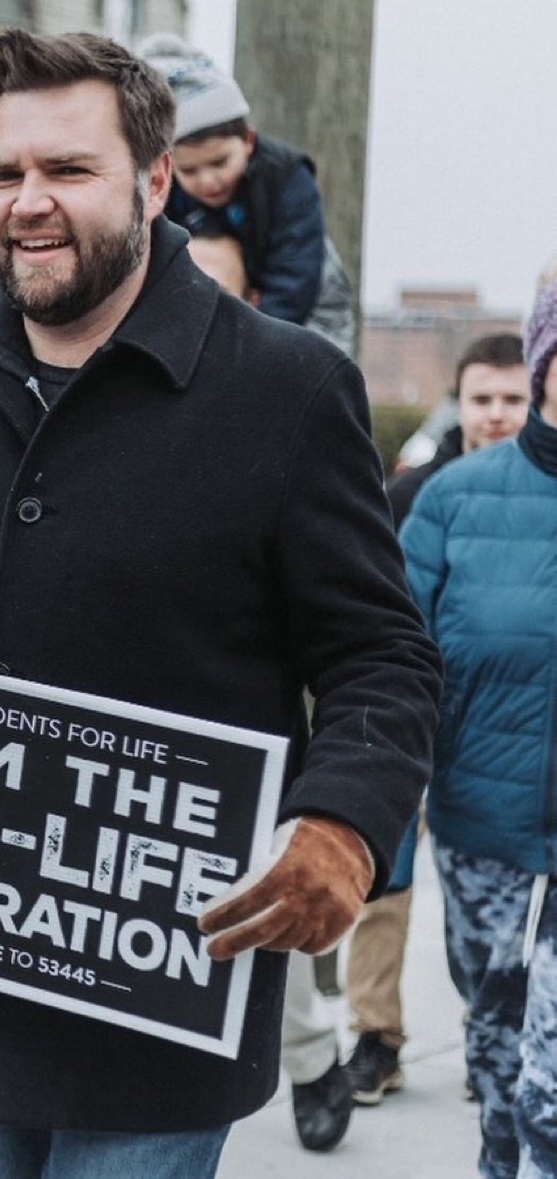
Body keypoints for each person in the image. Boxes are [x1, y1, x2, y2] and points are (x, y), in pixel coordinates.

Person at [0, 29, 440, 1179]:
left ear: (156, 185)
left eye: (68, 171)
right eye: (4, 174)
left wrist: (339, 827)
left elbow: (379, 653)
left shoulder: (287, 390)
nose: (27, 204)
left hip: (163, 997)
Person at [189, 226, 352, 1154]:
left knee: (256, 950)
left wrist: (340, 814)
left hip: (240, 780)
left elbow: (363, 639)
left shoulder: (289, 406)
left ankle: (315, 1056)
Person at [344, 333, 530, 1109]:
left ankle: (493, 1032)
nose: (495, 414)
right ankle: (375, 1034)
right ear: (460, 402)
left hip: (494, 731)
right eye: (481, 398)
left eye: (512, 398)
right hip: (413, 716)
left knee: (484, 901)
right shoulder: (419, 491)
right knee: (385, 875)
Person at [397, 280, 557, 1178]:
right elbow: (394, 666)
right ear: (542, 366)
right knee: (499, 1045)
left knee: (553, 1079)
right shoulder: (453, 500)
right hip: (479, 832)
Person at [139, 33, 355, 358]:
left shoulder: (286, 177)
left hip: (301, 310)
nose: (209, 181)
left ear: (249, 142)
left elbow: (296, 278)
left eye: (220, 162)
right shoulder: (161, 193)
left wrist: (254, 348)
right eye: (190, 171)